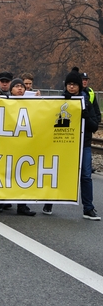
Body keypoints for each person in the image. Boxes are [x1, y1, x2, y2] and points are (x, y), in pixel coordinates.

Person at [44, 69, 100, 220]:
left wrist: (85, 115)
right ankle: (49, 202)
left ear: (79, 86)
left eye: (74, 84)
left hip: (84, 144)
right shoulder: (61, 100)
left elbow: (94, 125)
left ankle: (88, 208)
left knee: (86, 176)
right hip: (64, 143)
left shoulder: (86, 101)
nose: (72, 87)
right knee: (58, 173)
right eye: (69, 84)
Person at [0, 78, 37, 216]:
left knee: (21, 175)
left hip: (23, 144)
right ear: (11, 89)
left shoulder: (32, 104)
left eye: (22, 86)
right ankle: (0, 201)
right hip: (6, 144)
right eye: (17, 86)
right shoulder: (4, 103)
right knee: (4, 174)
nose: (20, 89)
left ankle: (22, 205)